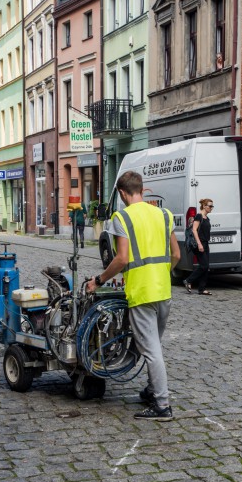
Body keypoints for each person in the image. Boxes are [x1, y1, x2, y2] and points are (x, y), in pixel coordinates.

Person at [86, 171, 180, 421]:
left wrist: (98, 280)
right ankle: (151, 390)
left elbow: (122, 258)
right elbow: (177, 254)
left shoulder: (122, 218)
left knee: (151, 351)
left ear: (122, 193)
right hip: (163, 290)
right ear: (143, 189)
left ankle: (162, 405)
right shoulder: (163, 214)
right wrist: (162, 273)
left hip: (141, 292)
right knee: (154, 345)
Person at [183, 198, 213, 295]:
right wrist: (199, 244)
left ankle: (202, 289)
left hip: (205, 243)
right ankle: (188, 280)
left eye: (212, 206)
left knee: (206, 266)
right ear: (204, 206)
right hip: (198, 244)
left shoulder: (207, 218)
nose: (211, 208)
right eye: (210, 206)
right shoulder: (198, 216)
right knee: (204, 266)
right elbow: (194, 230)